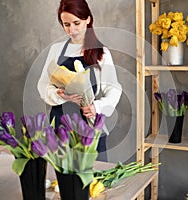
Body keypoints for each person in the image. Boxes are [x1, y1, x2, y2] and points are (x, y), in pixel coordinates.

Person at [37, 0, 122, 161]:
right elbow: (43, 84)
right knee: (62, 181)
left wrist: (96, 107)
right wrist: (59, 94)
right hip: (60, 125)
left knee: (92, 180)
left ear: (88, 19)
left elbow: (114, 88)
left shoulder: (101, 52)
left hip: (89, 123)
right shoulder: (56, 50)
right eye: (66, 24)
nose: (72, 30)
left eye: (77, 23)